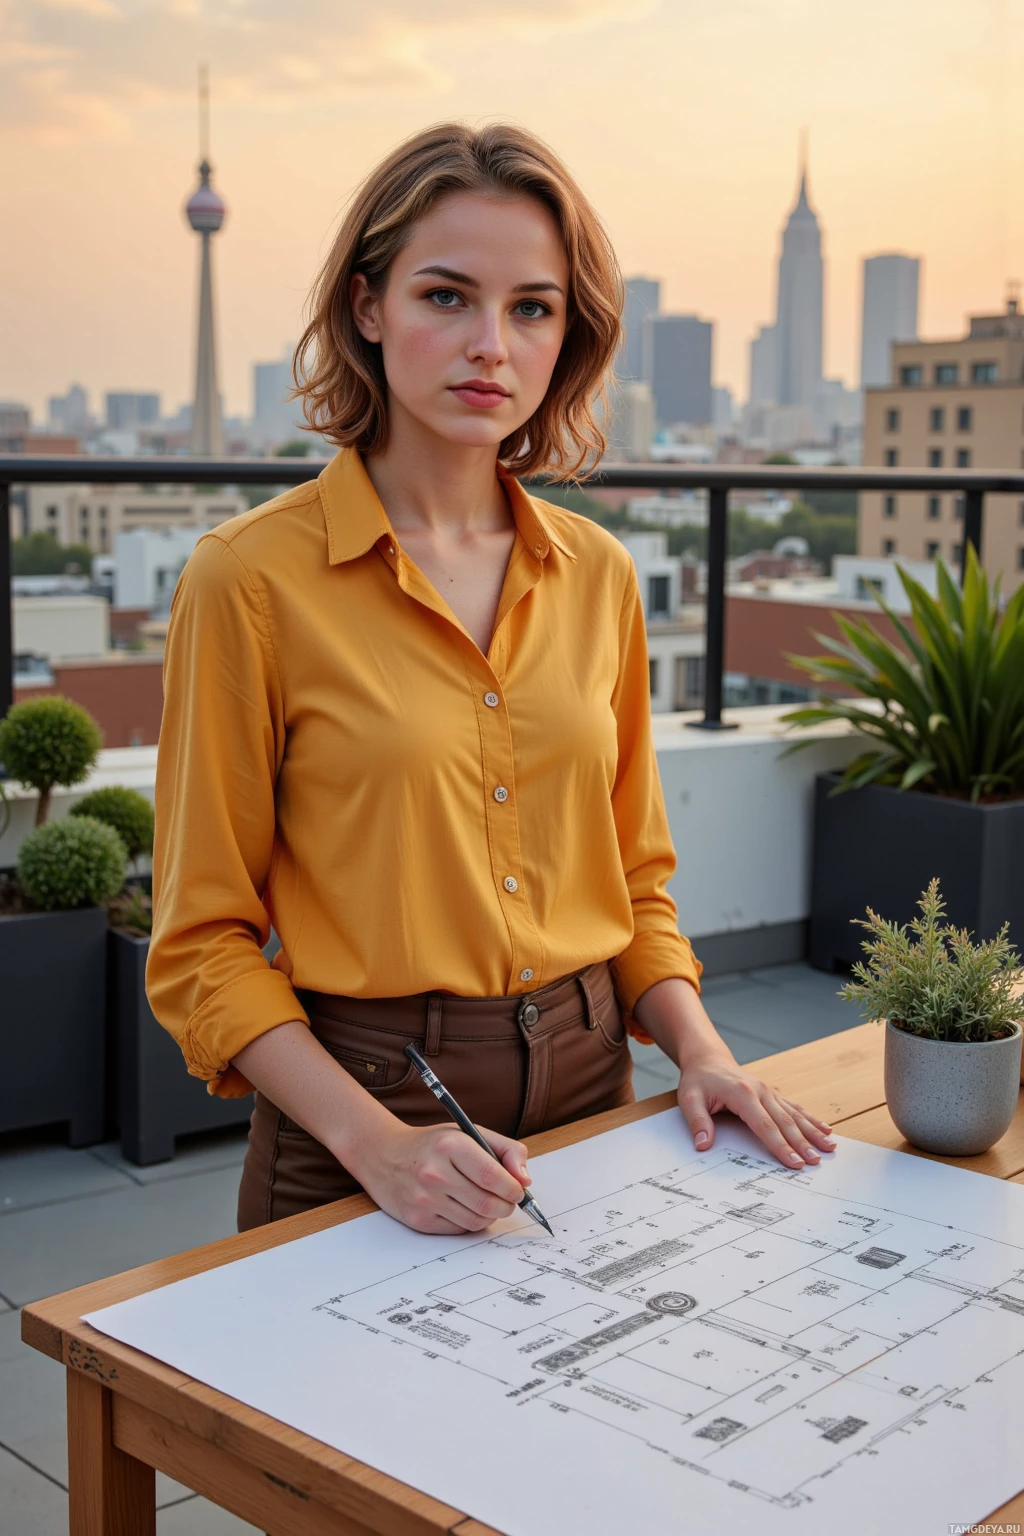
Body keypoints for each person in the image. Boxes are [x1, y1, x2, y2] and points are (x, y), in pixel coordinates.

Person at [147, 122, 835, 1237]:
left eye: (532, 309)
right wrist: (377, 1145)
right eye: (446, 296)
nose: (491, 347)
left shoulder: (599, 575)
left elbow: (634, 883)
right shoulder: (249, 582)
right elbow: (200, 947)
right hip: (363, 1109)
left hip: (595, 1082)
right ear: (368, 307)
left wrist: (705, 1055)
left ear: (569, 334)